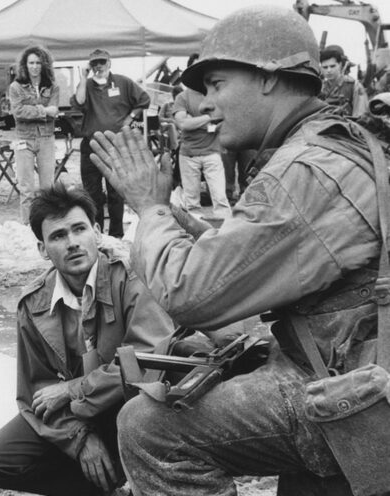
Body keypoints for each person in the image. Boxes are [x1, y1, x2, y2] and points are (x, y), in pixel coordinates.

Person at [90, 5, 388, 495]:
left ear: (269, 78)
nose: (205, 103)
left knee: (149, 428)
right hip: (357, 355)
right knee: (202, 351)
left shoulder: (304, 169)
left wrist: (149, 208)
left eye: (217, 83)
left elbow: (191, 294)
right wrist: (199, 235)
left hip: (355, 388)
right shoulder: (338, 142)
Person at [0, 184, 173, 496]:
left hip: (138, 407)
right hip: (80, 414)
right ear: (42, 249)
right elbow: (36, 393)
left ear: (96, 231)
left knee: (149, 421)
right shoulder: (33, 304)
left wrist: (72, 388)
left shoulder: (132, 279)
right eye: (57, 236)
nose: (72, 243)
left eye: (79, 229)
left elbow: (149, 364)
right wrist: (79, 439)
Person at [71, 49, 150, 238]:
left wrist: (130, 118)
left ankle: (116, 235)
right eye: (95, 63)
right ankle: (96, 234)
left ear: (109, 63)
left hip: (116, 145)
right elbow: (80, 102)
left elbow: (144, 100)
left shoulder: (123, 82)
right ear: (90, 66)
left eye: (102, 62)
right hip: (91, 146)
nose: (99, 66)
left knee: (116, 193)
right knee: (92, 194)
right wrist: (83, 77)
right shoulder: (87, 85)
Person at [8, 45, 60, 224]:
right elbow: (18, 112)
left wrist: (36, 111)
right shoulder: (15, 87)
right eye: (31, 63)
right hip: (24, 138)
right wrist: (44, 110)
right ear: (25, 64)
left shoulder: (52, 86)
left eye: (38, 62)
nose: (35, 66)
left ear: (44, 65)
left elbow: (55, 110)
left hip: (46, 138)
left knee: (48, 188)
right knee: (26, 188)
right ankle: (27, 227)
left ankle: (48, 226)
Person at [173, 85, 232, 219]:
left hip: (212, 152)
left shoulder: (217, 94)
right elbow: (183, 124)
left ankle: (225, 229)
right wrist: (210, 117)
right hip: (188, 154)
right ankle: (196, 231)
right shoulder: (183, 97)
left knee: (220, 198)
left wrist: (193, 120)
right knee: (192, 201)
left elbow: (227, 117)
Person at [318, 44, 368, 117]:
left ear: (340, 65)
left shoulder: (353, 86)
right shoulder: (319, 88)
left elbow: (361, 115)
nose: (329, 70)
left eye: (332, 66)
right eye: (325, 67)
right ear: (321, 68)